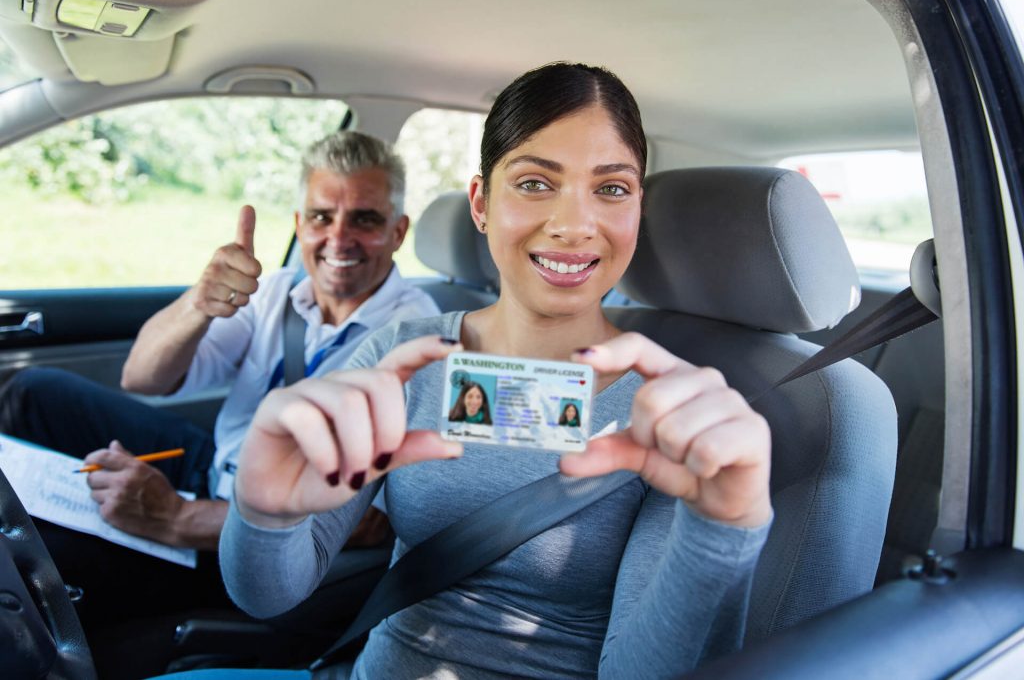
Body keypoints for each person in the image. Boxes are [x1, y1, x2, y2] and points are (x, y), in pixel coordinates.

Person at [164, 62, 772, 679]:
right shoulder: (403, 354)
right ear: (481, 203)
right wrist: (267, 513)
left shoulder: (672, 415)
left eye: (611, 189)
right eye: (535, 183)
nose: (572, 225)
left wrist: (721, 530)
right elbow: (267, 595)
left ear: (638, 208)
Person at [0, 130, 439, 630]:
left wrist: (173, 518)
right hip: (215, 464)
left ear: (399, 232)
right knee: (31, 395)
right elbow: (141, 377)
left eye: (365, 219)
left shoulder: (415, 342)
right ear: (300, 223)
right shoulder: (276, 291)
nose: (338, 238)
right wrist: (198, 304)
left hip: (264, 535)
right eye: (321, 217)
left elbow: (367, 523)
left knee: (42, 560)